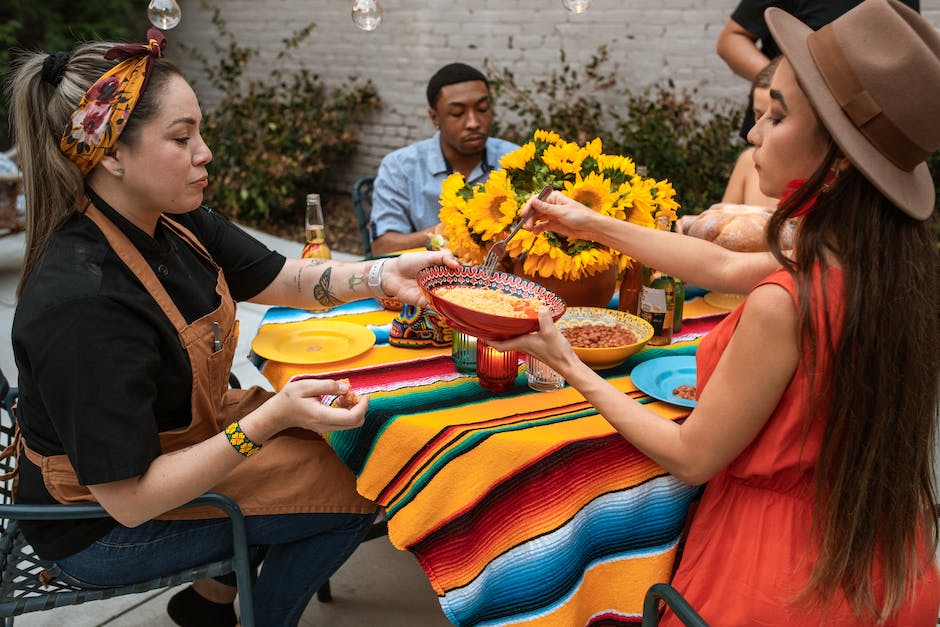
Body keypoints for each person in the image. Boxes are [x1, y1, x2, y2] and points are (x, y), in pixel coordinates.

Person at [495, 1, 940, 624]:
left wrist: (566, 360)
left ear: (838, 161)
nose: (752, 134)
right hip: (887, 562)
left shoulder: (783, 304)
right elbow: (724, 268)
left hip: (776, 579)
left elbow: (692, 455)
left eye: (776, 117)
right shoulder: (881, 258)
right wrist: (589, 222)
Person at [6, 29, 457, 627]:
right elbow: (132, 499)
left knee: (361, 450)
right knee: (359, 493)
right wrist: (271, 420)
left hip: (178, 445)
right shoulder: (82, 301)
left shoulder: (175, 219)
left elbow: (281, 278)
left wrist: (383, 274)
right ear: (111, 153)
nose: (206, 153)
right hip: (99, 529)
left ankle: (209, 603)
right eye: (181, 137)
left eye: (200, 132)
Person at [369, 62, 518, 257]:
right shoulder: (400, 167)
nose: (473, 123)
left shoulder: (515, 161)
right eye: (457, 113)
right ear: (434, 118)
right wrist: (448, 231)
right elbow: (382, 246)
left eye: (482, 109)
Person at [716, 0, 920, 140]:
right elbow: (732, 40)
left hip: (861, 138)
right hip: (779, 134)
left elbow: (904, 56)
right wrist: (791, 85)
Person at [720, 56, 780, 207]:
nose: (753, 135)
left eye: (775, 120)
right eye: (758, 115)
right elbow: (721, 224)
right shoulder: (748, 162)